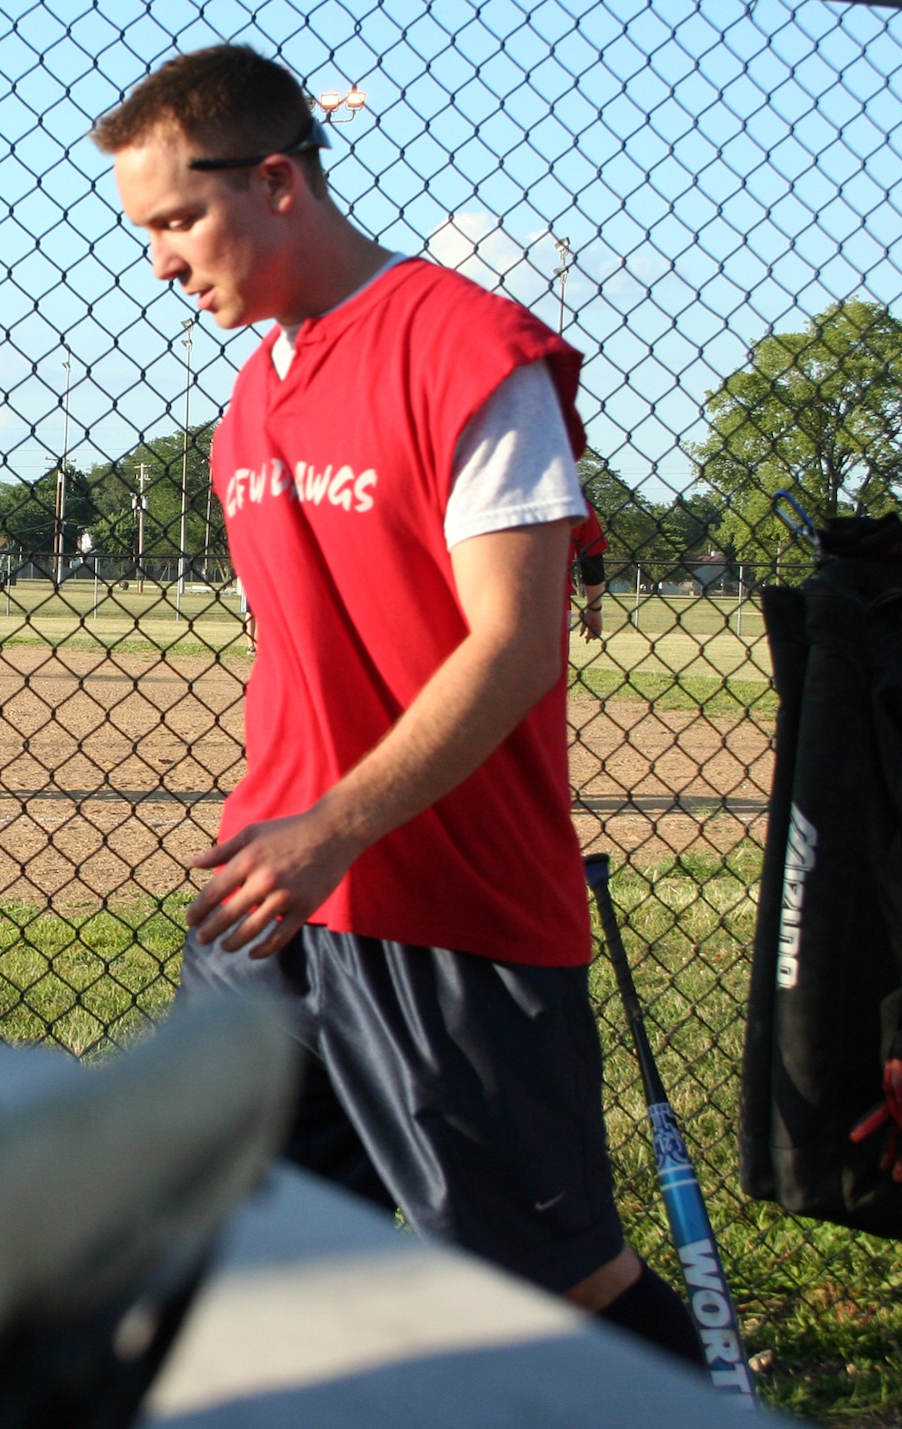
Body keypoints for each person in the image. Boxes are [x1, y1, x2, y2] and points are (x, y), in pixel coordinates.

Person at [92, 44, 704, 1367]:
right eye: (142, 234)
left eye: (177, 222)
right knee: (230, 1247)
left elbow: (511, 647)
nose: (160, 264)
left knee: (545, 1287)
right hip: (270, 897)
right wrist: (292, 837)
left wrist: (337, 825)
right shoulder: (252, 399)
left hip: (441, 901)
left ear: (278, 180)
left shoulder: (470, 350)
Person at [572, 503, 609, 640]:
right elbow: (592, 560)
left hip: (502, 598)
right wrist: (594, 608)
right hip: (553, 604)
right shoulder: (571, 497)